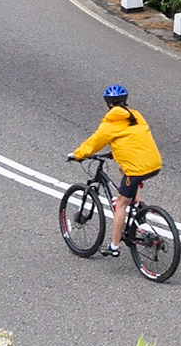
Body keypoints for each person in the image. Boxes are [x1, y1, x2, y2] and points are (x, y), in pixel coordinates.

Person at [69, 85, 162, 258]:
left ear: (107, 104)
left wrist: (77, 155)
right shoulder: (135, 115)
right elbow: (134, 138)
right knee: (124, 169)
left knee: (121, 204)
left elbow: (94, 143)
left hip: (136, 168)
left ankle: (114, 246)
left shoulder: (110, 123)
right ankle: (137, 205)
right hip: (154, 163)